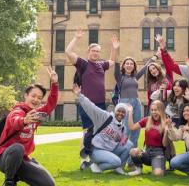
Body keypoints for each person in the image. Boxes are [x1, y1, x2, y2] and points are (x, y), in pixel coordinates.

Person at [0, 67, 59, 186]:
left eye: (39, 98)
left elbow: (51, 104)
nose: (36, 100)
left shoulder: (36, 114)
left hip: (22, 160)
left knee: (48, 184)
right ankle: (9, 182)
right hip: (5, 158)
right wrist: (24, 120)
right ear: (26, 95)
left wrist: (55, 84)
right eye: (33, 96)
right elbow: (15, 120)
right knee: (18, 148)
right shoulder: (17, 111)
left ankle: (16, 175)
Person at [65, 29, 117, 167]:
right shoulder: (83, 64)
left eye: (98, 51)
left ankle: (94, 159)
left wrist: (114, 48)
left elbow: (112, 61)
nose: (96, 53)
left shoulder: (101, 65)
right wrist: (76, 38)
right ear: (89, 52)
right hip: (87, 103)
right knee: (88, 130)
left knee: (99, 131)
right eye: (93, 50)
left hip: (100, 104)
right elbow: (68, 52)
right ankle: (84, 159)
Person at [114, 41, 159, 168]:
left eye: (131, 64)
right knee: (125, 133)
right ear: (124, 66)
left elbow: (145, 67)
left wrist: (155, 56)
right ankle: (120, 160)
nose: (129, 65)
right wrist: (116, 50)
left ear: (134, 66)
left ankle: (131, 160)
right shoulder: (120, 77)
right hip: (125, 103)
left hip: (136, 103)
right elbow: (116, 66)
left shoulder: (135, 77)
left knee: (136, 131)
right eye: (127, 63)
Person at [72, 83, 133, 175]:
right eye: (119, 111)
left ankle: (119, 168)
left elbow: (123, 143)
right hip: (96, 150)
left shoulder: (122, 127)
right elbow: (91, 107)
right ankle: (96, 166)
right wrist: (80, 96)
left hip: (108, 150)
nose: (120, 113)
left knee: (129, 145)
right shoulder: (105, 117)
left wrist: (133, 150)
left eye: (123, 112)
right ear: (115, 110)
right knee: (116, 161)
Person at [127, 100, 169, 176]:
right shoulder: (147, 120)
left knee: (158, 174)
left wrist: (166, 131)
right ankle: (139, 169)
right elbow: (131, 127)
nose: (153, 112)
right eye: (152, 110)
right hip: (147, 152)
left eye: (156, 110)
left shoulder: (165, 123)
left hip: (158, 153)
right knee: (133, 151)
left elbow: (165, 144)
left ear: (161, 110)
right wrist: (130, 113)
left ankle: (160, 166)